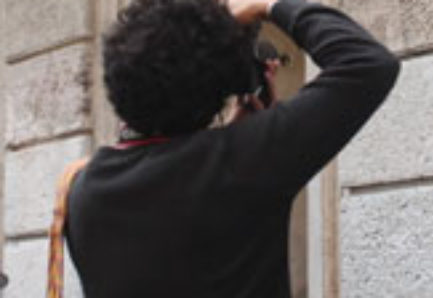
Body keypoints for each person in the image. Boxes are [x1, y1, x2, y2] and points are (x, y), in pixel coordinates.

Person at [65, 0, 400, 297]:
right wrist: (267, 6)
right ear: (218, 90)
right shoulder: (242, 163)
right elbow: (368, 64)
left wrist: (235, 138)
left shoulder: (81, 189)